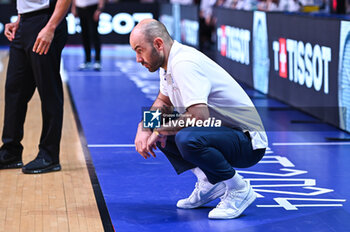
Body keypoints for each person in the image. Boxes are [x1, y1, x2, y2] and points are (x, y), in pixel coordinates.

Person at [130, 19, 268, 220]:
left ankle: (239, 189)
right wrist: (145, 126)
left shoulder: (184, 64)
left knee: (186, 137)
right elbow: (163, 100)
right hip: (223, 133)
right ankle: (209, 182)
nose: (137, 59)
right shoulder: (168, 63)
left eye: (139, 50)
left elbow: (199, 116)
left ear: (158, 44)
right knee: (161, 125)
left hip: (247, 142)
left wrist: (159, 131)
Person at [0, 0, 70, 174]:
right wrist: (19, 20)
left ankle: (49, 155)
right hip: (24, 24)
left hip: (45, 21)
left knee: (48, 91)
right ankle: (11, 151)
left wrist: (51, 27)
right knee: (14, 90)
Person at [71, 0, 104, 71]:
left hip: (93, 7)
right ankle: (87, 60)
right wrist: (73, 8)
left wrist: (99, 9)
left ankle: (97, 61)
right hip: (80, 8)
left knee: (94, 34)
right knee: (84, 35)